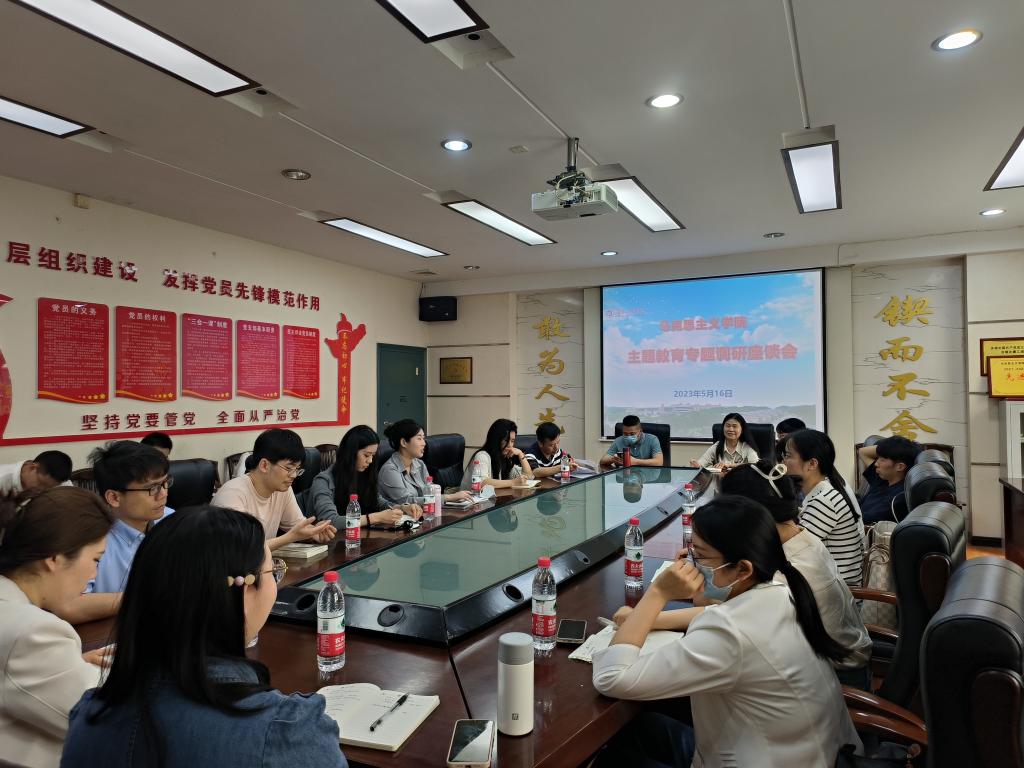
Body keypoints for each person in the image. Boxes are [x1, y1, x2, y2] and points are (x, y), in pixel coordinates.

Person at [60, 506, 348, 768]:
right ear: (245, 592)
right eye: (273, 571)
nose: (275, 581)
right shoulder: (289, 731)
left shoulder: (88, 716)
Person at [592, 496, 859, 767]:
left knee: (611, 759)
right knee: (643, 727)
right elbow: (711, 614)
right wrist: (648, 619)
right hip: (808, 752)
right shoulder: (780, 592)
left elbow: (612, 678)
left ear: (742, 569)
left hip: (773, 759)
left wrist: (658, 592)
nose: (690, 563)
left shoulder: (730, 632)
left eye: (700, 555)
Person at [721, 461, 872, 689]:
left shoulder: (787, 572)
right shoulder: (802, 536)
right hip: (843, 654)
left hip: (835, 677)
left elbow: (729, 613)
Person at [0, 488, 114, 768]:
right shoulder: (32, 632)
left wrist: (67, 665)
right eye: (96, 559)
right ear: (55, 558)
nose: (94, 575)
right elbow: (111, 719)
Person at [75, 442, 174, 623]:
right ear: (114, 497)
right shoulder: (90, 540)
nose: (163, 494)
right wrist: (147, 598)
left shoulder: (171, 520)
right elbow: (71, 605)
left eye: (165, 483)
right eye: (152, 488)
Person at [211, 429, 335, 552]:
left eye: (297, 469)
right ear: (264, 465)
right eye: (289, 468)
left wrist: (314, 532)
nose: (294, 475)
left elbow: (298, 526)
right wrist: (290, 537)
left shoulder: (283, 490)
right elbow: (241, 550)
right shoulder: (233, 494)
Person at [782, 429, 865, 587]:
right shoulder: (825, 490)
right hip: (831, 582)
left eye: (788, 456)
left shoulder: (824, 501)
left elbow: (794, 550)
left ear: (812, 464)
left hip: (839, 590)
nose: (783, 462)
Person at [308, 425, 406, 529]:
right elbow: (330, 521)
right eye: (366, 455)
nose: (370, 461)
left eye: (373, 455)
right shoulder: (323, 481)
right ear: (351, 453)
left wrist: (402, 508)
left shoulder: (363, 473)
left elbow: (377, 501)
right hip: (334, 538)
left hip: (362, 535)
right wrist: (376, 517)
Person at [377, 420, 473, 508]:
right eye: (419, 439)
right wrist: (449, 497)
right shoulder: (389, 470)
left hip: (424, 514)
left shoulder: (419, 464)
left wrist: (453, 499)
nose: (424, 443)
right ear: (404, 442)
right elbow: (406, 502)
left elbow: (430, 491)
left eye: (423, 438)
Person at [857, 436, 921, 524]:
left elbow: (867, 521)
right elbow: (862, 452)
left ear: (900, 467)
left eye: (882, 459)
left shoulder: (898, 500)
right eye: (878, 457)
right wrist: (888, 446)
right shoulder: (883, 478)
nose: (876, 463)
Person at [460, 419, 534, 490]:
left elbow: (529, 477)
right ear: (496, 439)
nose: (509, 445)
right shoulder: (482, 456)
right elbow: (481, 482)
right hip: (471, 498)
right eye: (506, 440)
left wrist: (521, 454)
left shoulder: (504, 457)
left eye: (512, 441)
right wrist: (513, 482)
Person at [691, 412, 759, 469]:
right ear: (723, 428)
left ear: (742, 430)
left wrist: (730, 465)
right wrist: (696, 465)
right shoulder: (717, 446)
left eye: (734, 426)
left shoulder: (747, 446)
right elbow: (702, 463)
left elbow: (755, 465)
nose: (731, 429)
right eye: (728, 426)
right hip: (721, 480)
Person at [0, 450, 73, 500]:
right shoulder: (2, 478)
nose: (41, 490)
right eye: (41, 483)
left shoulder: (59, 479)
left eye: (49, 488)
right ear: (33, 467)